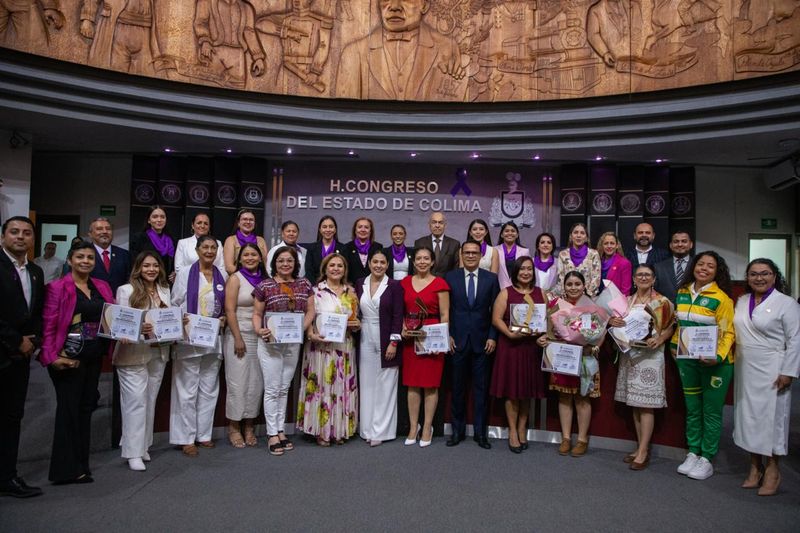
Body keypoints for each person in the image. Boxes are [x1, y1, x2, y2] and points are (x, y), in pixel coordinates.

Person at [40, 241, 114, 484]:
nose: (85, 261)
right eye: (80, 257)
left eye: (90, 258)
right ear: (70, 260)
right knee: (68, 412)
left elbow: (111, 317)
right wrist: (53, 357)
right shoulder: (57, 287)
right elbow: (49, 326)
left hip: (93, 356)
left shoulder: (101, 286)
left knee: (85, 410)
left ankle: (81, 464)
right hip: (68, 358)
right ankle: (64, 470)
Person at [733, 258, 800, 496]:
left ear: (774, 276)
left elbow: (795, 340)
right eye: (753, 274)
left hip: (773, 367)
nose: (759, 278)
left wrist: (788, 371)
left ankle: (773, 469)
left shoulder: (786, 303)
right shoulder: (741, 301)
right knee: (748, 417)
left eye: (765, 273)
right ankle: (754, 467)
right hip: (746, 366)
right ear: (747, 277)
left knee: (771, 419)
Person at [670, 251, 735, 481]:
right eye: (701, 264)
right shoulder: (682, 292)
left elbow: (728, 332)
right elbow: (680, 326)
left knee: (711, 411)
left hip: (715, 364)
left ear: (717, 272)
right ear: (694, 266)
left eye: (710, 266)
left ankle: (707, 457)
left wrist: (717, 356)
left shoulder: (722, 298)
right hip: (688, 362)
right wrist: (674, 347)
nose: (704, 268)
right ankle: (693, 452)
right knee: (693, 409)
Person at [608, 264, 675, 470]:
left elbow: (671, 325)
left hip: (651, 356)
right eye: (639, 275)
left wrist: (661, 339)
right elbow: (615, 323)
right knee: (635, 403)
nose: (643, 278)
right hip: (630, 356)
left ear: (654, 279)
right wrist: (613, 321)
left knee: (646, 405)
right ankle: (639, 447)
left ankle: (644, 450)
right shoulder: (627, 301)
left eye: (647, 275)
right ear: (634, 279)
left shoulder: (662, 301)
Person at [335, 0, 465, 101]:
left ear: (424, 5)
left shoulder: (446, 47)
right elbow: (343, 111)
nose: (394, 6)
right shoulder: (353, 52)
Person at [252, 246, 315, 456]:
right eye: (281, 261)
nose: (285, 264)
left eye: (289, 260)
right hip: (270, 344)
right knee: (271, 389)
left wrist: (301, 329)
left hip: (292, 344)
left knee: (284, 388)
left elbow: (310, 311)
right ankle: (271, 433)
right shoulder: (264, 285)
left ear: (296, 264)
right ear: (274, 263)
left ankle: (280, 430)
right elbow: (257, 313)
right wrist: (258, 329)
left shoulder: (304, 284)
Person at [113, 251, 171, 471]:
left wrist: (179, 320)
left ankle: (143, 445)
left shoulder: (164, 289)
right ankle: (132, 452)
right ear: (138, 268)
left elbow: (168, 318)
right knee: (135, 402)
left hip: (158, 352)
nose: (151, 270)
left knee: (149, 400)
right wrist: (140, 328)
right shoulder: (126, 291)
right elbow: (121, 325)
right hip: (132, 353)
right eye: (146, 266)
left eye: (155, 266)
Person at [170, 236, 227, 457]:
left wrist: (222, 319)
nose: (210, 251)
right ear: (197, 249)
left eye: (214, 248)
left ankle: (203, 434)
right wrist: (181, 320)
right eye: (206, 247)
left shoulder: (222, 275)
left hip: (213, 340)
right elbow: (175, 303)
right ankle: (185, 437)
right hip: (189, 340)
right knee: (187, 390)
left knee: (209, 389)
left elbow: (223, 306)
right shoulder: (185, 274)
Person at [0, 217, 45, 498]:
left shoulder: (36, 272)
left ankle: (7, 476)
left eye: (26, 233)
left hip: (20, 357)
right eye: (14, 232)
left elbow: (36, 313)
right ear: (3, 236)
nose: (20, 237)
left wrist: (32, 340)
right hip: (5, 348)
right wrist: (16, 340)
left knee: (12, 416)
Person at [538, 271, 605, 457]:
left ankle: (582, 439)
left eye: (577, 284)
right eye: (569, 284)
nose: (573, 288)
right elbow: (547, 328)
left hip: (585, 357)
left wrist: (594, 347)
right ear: (564, 286)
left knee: (583, 398)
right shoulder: (555, 305)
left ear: (584, 286)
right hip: (563, 357)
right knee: (564, 397)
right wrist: (544, 339)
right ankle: (566, 438)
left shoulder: (593, 306)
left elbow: (602, 331)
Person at [298, 253, 360, 446]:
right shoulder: (315, 291)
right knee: (321, 388)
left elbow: (355, 320)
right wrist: (309, 333)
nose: (335, 269)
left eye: (339, 266)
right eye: (332, 265)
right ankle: (321, 431)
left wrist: (357, 325)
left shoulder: (351, 292)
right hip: (320, 347)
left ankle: (340, 430)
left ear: (344, 270)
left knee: (342, 388)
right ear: (325, 269)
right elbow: (307, 315)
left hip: (344, 347)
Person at [445, 240, 499, 449]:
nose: (470, 256)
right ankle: (457, 433)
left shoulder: (491, 279)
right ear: (461, 255)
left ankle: (481, 434)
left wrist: (493, 336)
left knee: (481, 390)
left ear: (480, 256)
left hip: (482, 342)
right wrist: (447, 335)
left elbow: (496, 310)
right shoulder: (450, 277)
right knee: (457, 390)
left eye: (474, 253)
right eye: (466, 252)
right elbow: (446, 310)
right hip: (456, 342)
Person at [490, 256, 546, 453]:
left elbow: (547, 321)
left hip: (532, 349)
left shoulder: (541, 293)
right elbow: (496, 319)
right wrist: (509, 334)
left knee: (527, 392)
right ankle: (512, 431)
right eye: (522, 269)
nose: (526, 272)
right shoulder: (506, 293)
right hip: (511, 347)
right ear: (515, 272)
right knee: (512, 391)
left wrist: (544, 336)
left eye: (529, 269)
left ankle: (523, 428)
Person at [400, 246, 450, 447]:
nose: (421, 261)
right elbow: (399, 310)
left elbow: (445, 314)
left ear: (432, 262)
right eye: (418, 258)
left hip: (432, 335)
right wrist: (402, 326)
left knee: (430, 386)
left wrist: (443, 340)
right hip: (411, 337)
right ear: (414, 262)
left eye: (426, 258)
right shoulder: (404, 283)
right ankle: (414, 427)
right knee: (412, 385)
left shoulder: (440, 283)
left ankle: (427, 427)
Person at [355, 249, 404, 446]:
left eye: (382, 262)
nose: (378, 265)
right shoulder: (360, 283)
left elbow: (398, 316)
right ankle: (367, 428)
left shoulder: (394, 286)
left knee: (386, 385)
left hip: (386, 337)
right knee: (367, 384)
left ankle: (381, 431)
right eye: (375, 262)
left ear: (387, 265)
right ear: (369, 264)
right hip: (365, 336)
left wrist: (393, 342)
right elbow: (355, 311)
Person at [223, 243, 266, 448]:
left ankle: (249, 426)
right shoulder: (235, 278)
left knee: (255, 384)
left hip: (260, 337)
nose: (250, 258)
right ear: (240, 259)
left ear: (260, 258)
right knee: (237, 383)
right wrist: (237, 337)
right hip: (238, 335)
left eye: (253, 254)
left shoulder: (265, 280)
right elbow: (230, 310)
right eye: (246, 255)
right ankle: (234, 427)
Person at [130, 205, 176, 284]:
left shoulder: (171, 240)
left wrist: (174, 273)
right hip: (143, 283)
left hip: (164, 284)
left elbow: (173, 264)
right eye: (155, 217)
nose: (159, 220)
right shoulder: (139, 238)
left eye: (162, 217)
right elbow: (134, 263)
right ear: (149, 220)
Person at [555, 222, 601, 297]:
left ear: (586, 238)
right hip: (567, 297)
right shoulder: (563, 255)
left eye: (582, 233)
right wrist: (568, 296)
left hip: (588, 298)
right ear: (571, 236)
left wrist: (585, 295)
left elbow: (596, 279)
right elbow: (561, 279)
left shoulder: (593, 254)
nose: (578, 235)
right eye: (575, 232)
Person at [88, 217, 131, 294]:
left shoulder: (124, 254)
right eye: (99, 229)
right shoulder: (84, 255)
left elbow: (129, 280)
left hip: (119, 302)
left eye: (108, 229)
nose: (105, 231)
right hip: (91, 303)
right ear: (90, 235)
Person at [223, 208, 268, 275]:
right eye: (245, 219)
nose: (248, 222)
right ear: (238, 223)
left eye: (251, 220)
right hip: (237, 279)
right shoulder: (231, 240)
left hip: (259, 279)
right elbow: (229, 267)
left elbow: (265, 265)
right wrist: (248, 276)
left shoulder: (261, 240)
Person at [414, 211, 459, 277]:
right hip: (425, 283)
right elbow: (415, 268)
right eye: (434, 222)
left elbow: (456, 269)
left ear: (445, 225)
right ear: (429, 224)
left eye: (440, 222)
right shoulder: (420, 242)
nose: (437, 225)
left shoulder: (454, 244)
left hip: (446, 284)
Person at [653, 231, 694, 303]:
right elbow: (654, 292)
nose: (680, 244)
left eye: (684, 241)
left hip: (690, 310)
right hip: (665, 310)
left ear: (691, 244)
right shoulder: (658, 267)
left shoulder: (697, 265)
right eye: (676, 241)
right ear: (671, 245)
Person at [304, 215, 345, 283]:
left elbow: (345, 271)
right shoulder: (311, 248)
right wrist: (316, 288)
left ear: (335, 229)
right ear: (320, 230)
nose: (328, 230)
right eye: (324, 227)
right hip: (316, 288)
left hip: (337, 286)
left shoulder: (343, 248)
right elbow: (309, 272)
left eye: (331, 227)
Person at [343, 217, 383, 285]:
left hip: (372, 287)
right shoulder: (347, 247)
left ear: (370, 231)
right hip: (352, 288)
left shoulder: (378, 247)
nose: (363, 230)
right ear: (355, 230)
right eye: (360, 227)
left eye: (366, 227)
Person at [495, 221, 531, 289]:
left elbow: (528, 273)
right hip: (498, 289)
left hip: (519, 289)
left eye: (513, 231)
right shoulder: (495, 250)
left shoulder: (525, 251)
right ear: (502, 235)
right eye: (507, 231)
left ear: (517, 235)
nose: (510, 233)